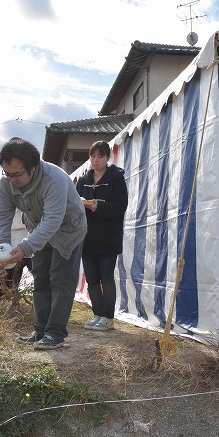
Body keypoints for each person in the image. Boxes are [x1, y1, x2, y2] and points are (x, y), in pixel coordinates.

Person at [0, 137, 87, 350]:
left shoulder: (54, 179)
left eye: (16, 174)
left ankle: (55, 333)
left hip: (68, 230)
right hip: (38, 229)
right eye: (6, 173)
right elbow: (1, 215)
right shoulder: (6, 183)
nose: (11, 179)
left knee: (61, 279)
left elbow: (53, 219)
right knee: (41, 277)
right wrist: (2, 247)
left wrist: (25, 247)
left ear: (33, 168)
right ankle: (40, 330)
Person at [76, 140, 128, 331]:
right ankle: (97, 314)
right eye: (92, 156)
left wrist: (97, 205)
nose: (96, 160)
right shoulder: (83, 180)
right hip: (87, 237)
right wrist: (82, 204)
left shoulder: (116, 179)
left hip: (108, 237)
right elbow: (74, 204)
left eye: (100, 156)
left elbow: (120, 207)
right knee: (92, 279)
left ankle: (108, 317)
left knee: (107, 278)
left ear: (108, 158)